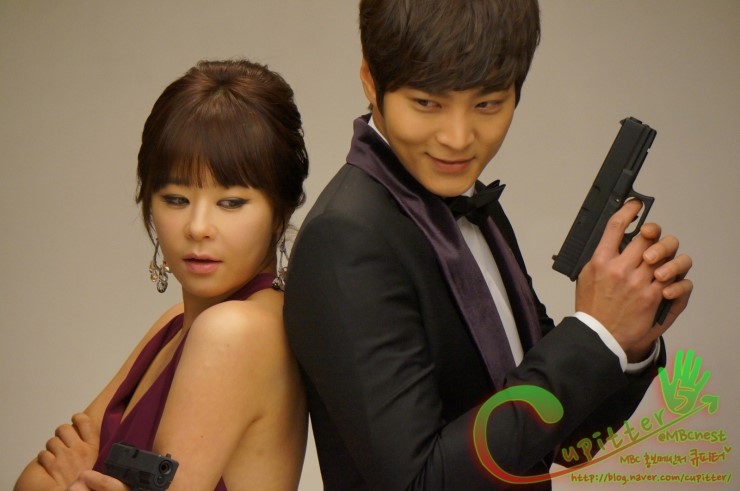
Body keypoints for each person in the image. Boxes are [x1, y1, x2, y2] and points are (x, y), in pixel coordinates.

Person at [283, 1, 693, 489]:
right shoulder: (344, 238)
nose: (459, 139)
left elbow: (562, 440)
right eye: (427, 103)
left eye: (488, 105)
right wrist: (592, 333)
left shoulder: (472, 203)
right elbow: (419, 482)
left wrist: (626, 339)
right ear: (372, 81)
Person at [15, 59, 309, 491]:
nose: (198, 227)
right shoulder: (175, 324)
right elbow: (32, 480)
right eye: (175, 199)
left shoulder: (235, 331)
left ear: (279, 212)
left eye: (231, 202)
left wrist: (77, 475)